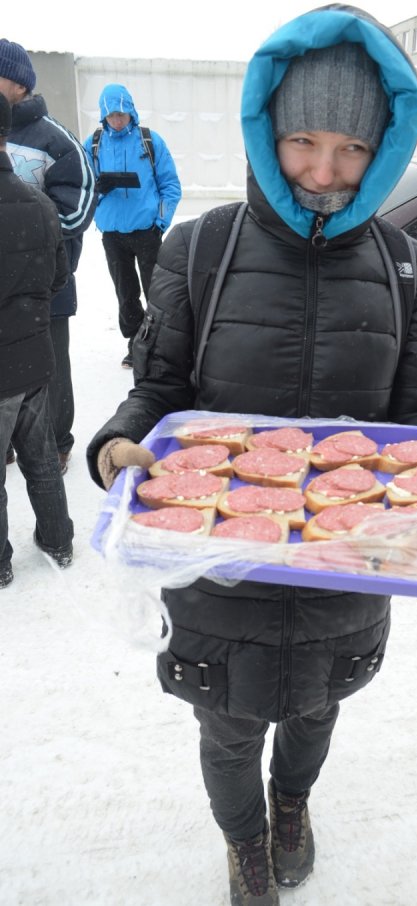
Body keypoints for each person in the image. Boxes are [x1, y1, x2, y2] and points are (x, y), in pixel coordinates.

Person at [87, 6, 417, 904]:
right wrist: (115, 443)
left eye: (352, 150)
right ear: (265, 132)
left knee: (318, 711)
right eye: (302, 140)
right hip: (220, 566)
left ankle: (292, 807)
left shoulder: (407, 266)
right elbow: (160, 388)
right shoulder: (200, 249)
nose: (325, 172)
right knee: (227, 726)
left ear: (385, 148)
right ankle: (245, 841)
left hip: (343, 564)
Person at [0, 39, 96, 474]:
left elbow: (78, 207)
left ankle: (57, 441)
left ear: (18, 83)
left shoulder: (54, 139)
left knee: (49, 369)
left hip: (45, 283)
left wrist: (26, 230)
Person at [0, 92, 74, 590]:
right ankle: (58, 540)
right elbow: (56, 278)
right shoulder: (38, 202)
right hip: (32, 354)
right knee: (41, 455)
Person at [83, 84, 182, 368]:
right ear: (104, 114)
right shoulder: (93, 144)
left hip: (146, 231)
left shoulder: (150, 141)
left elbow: (171, 186)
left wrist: (159, 223)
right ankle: (135, 344)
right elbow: (80, 185)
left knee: (157, 292)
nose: (118, 119)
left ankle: (160, 346)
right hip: (113, 234)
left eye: (123, 114)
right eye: (112, 114)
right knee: (126, 293)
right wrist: (98, 189)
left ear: (132, 113)